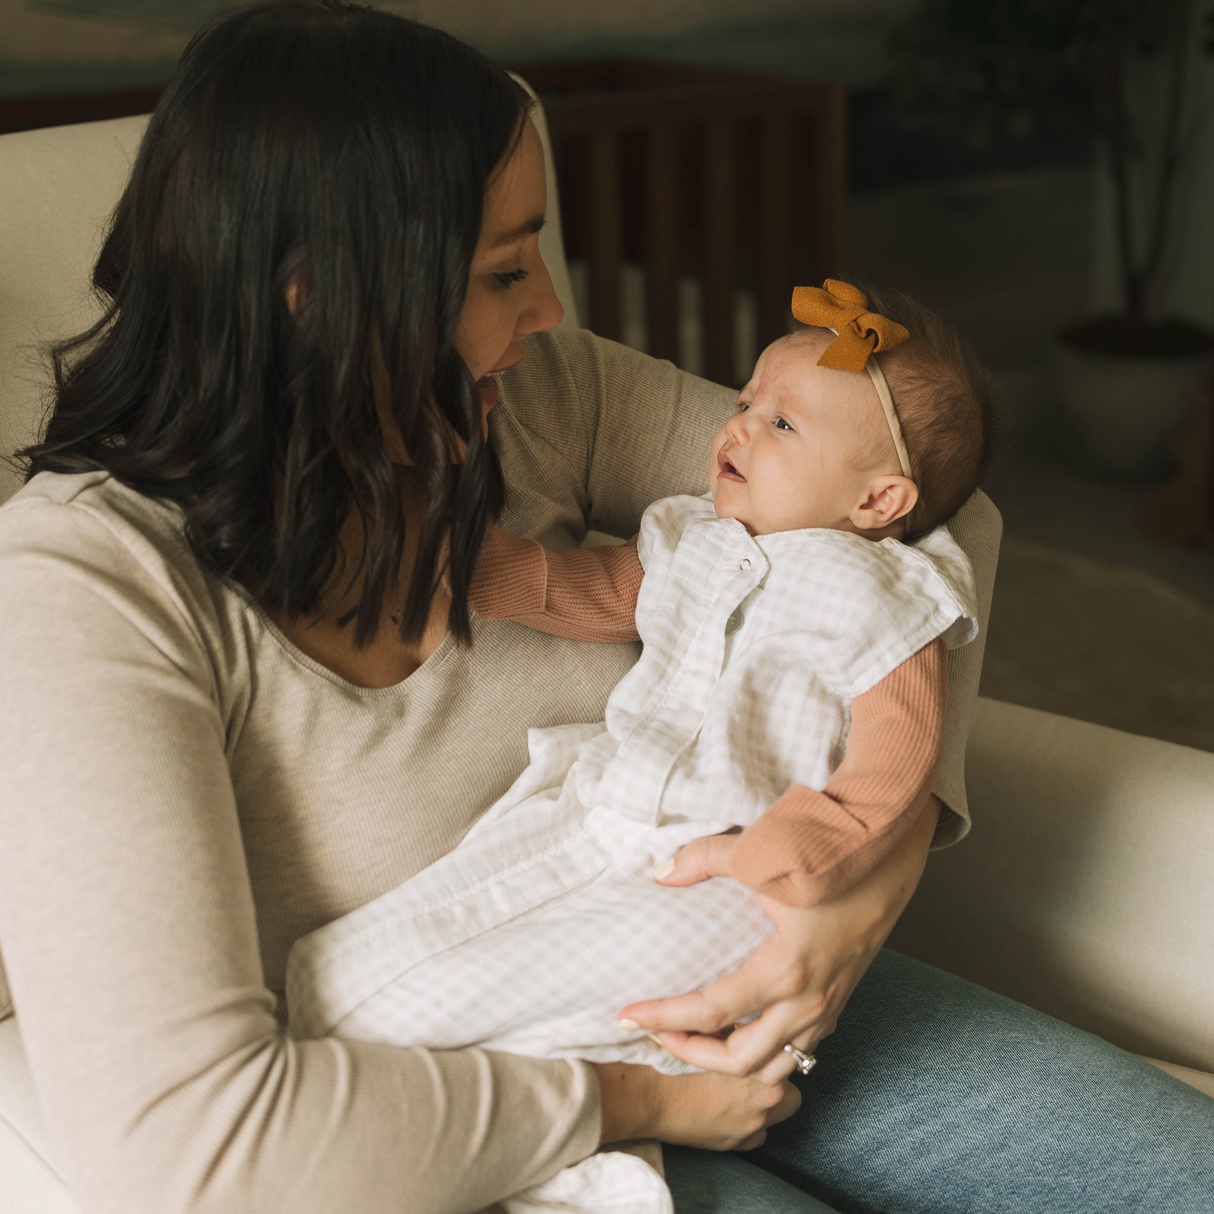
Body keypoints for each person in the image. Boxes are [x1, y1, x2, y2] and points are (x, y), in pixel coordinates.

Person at [0, 4, 1208, 1214]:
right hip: (443, 1105)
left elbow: (926, 523)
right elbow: (184, 1145)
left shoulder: (530, 397)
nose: (545, 310)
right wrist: (633, 1101)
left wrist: (842, 902)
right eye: (501, 270)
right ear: (319, 294)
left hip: (727, 955)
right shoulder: (89, 590)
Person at [284, 285, 988, 1214]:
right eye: (742, 402)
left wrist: (817, 852)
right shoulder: (695, 531)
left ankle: (559, 1142)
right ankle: (463, 1104)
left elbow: (901, 752)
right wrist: (482, 569)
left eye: (779, 423)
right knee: (331, 979)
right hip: (592, 813)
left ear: (880, 499)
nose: (735, 428)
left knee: (512, 1010)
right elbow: (602, 591)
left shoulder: (882, 590)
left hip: (728, 869)